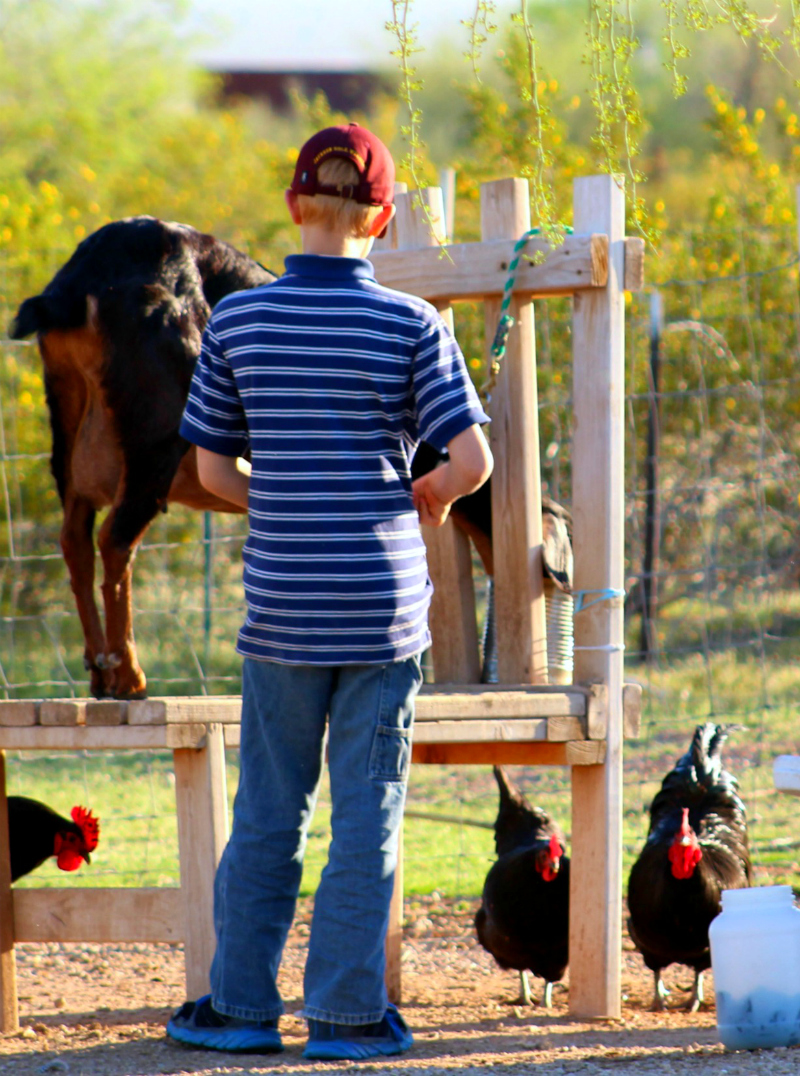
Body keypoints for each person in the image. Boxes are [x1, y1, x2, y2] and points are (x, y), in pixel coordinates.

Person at [166, 122, 493, 1060]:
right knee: (368, 815)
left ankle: (237, 1011)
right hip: (383, 609)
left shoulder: (239, 322)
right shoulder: (410, 324)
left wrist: (285, 495)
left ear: (293, 206)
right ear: (381, 218)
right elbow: (472, 458)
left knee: (269, 810)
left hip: (282, 609)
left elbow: (214, 470)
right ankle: (347, 1019)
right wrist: (426, 489)